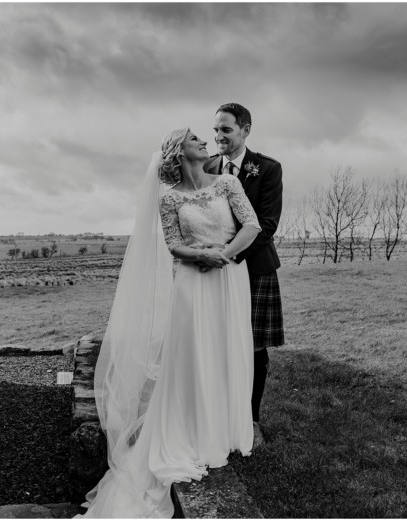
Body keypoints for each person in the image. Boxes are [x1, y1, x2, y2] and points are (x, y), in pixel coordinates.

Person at [79, 128, 261, 518]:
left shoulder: (228, 183)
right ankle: (191, 432)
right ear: (180, 152)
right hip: (192, 283)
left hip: (228, 278)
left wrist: (223, 256)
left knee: (227, 349)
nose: (204, 140)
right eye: (195, 137)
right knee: (193, 355)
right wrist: (199, 256)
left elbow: (252, 225)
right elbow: (171, 242)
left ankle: (224, 429)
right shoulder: (169, 196)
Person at [204, 103, 285, 447]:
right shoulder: (206, 167)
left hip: (252, 269)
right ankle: (218, 413)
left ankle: (251, 420)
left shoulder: (267, 168)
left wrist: (227, 256)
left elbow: (266, 226)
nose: (218, 136)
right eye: (216, 130)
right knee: (215, 343)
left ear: (245, 130)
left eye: (226, 130)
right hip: (210, 270)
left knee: (252, 347)